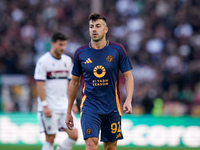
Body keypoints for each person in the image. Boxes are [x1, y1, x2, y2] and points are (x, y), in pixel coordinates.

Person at [65, 13, 134, 150]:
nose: (94, 29)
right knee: (91, 143)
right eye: (91, 27)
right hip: (89, 106)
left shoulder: (117, 50)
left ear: (105, 29)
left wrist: (128, 100)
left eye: (98, 26)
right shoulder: (80, 53)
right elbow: (74, 82)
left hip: (112, 106)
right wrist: (69, 111)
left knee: (110, 147)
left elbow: (128, 77)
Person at [34, 32, 78, 150]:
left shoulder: (68, 61)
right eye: (60, 45)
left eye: (64, 45)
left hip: (64, 106)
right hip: (50, 106)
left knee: (74, 135)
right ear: (52, 44)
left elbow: (71, 83)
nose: (63, 48)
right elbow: (39, 85)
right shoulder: (43, 61)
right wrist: (44, 105)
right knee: (50, 138)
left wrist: (73, 103)